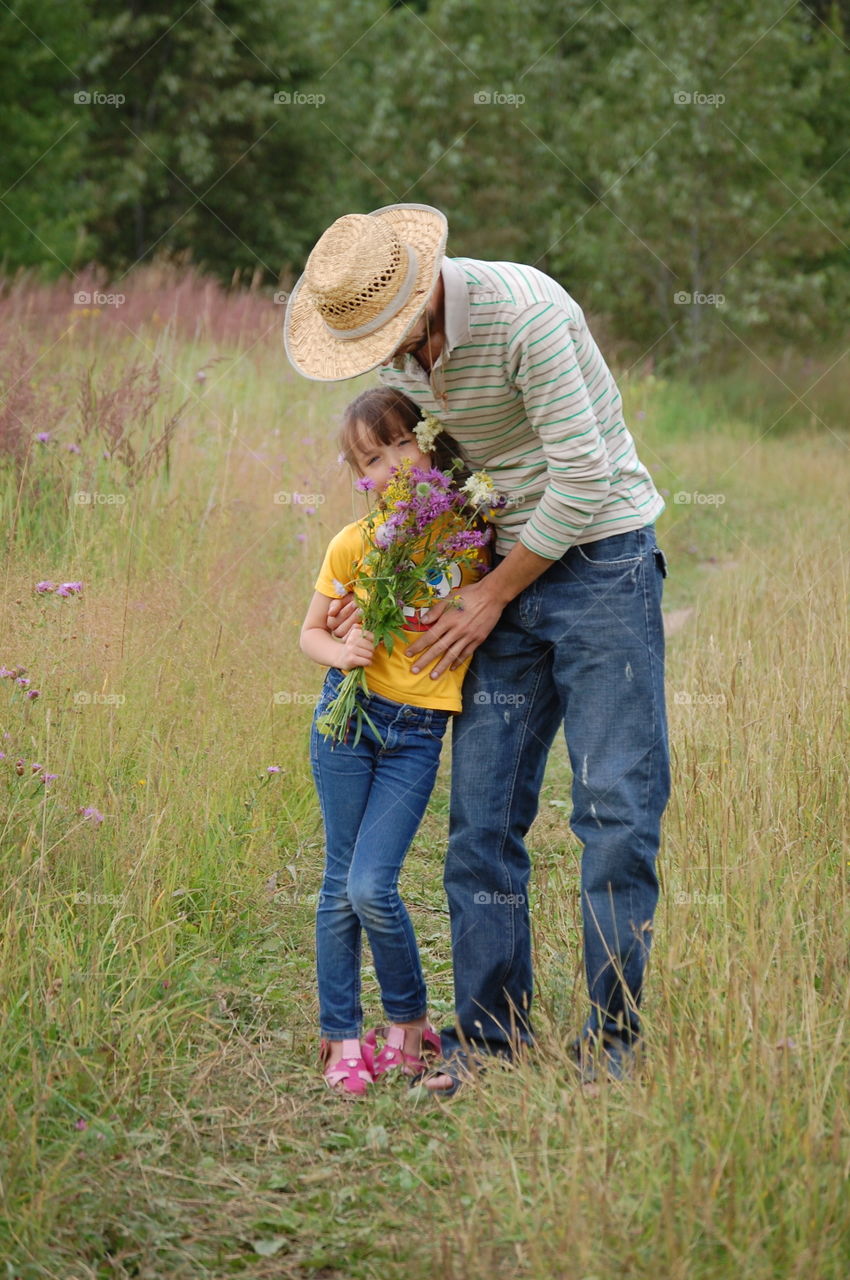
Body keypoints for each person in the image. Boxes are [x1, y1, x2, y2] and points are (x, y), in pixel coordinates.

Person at [286, 203, 670, 1094]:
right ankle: (492, 1033)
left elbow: (581, 478)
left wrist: (491, 597)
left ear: (421, 294)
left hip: (599, 561)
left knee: (614, 809)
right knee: (482, 819)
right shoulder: (404, 359)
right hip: (486, 575)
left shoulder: (525, 316)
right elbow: (442, 482)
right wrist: (375, 592)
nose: (384, 362)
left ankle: (612, 1036)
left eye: (386, 337)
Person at [299, 384, 488, 1096]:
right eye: (372, 460)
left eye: (403, 444)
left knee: (372, 885)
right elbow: (311, 632)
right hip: (347, 721)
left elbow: (493, 597)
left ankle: (409, 1022)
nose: (391, 466)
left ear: (429, 443)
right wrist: (342, 654)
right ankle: (343, 1035)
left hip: (415, 732)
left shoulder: (466, 536)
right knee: (337, 885)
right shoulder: (354, 543)